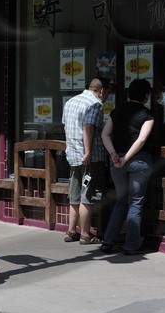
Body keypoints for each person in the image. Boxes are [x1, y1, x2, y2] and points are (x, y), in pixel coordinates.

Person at [99, 78, 157, 255]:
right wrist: (127, 158)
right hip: (139, 162)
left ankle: (108, 241)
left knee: (121, 202)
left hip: (117, 163)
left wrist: (114, 155)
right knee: (135, 203)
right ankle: (132, 245)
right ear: (146, 96)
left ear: (128, 94)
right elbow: (141, 139)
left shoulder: (116, 112)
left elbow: (104, 134)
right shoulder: (147, 114)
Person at [61, 77, 108, 244]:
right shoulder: (95, 103)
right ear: (101, 91)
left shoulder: (70, 102)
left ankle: (71, 231)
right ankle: (85, 234)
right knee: (86, 196)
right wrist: (87, 153)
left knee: (74, 196)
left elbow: (66, 127)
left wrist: (71, 148)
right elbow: (89, 128)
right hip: (89, 158)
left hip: (73, 156)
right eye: (106, 93)